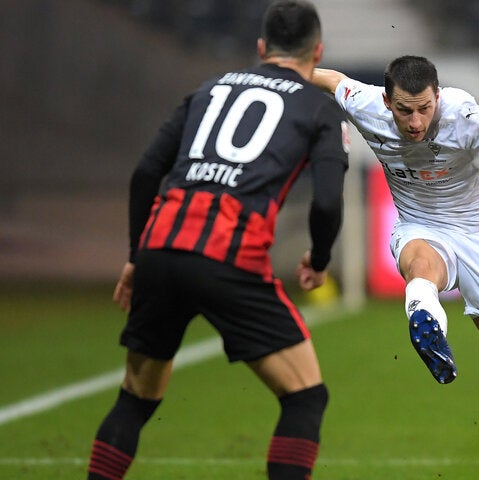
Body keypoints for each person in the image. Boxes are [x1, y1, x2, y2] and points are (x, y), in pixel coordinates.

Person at [86, 2, 349, 479]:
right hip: (229, 256)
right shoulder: (318, 107)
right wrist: (321, 257)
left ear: (262, 48)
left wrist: (135, 257)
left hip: (161, 248)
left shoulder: (208, 89)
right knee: (305, 396)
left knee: (134, 399)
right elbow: (327, 202)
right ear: (318, 53)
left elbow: (147, 171)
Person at [310, 56, 479, 479]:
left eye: (424, 108)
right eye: (405, 110)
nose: (415, 120)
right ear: (387, 102)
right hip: (420, 225)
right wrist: (277, 69)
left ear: (438, 97)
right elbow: (330, 78)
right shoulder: (365, 103)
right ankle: (424, 310)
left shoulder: (463, 115)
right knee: (422, 265)